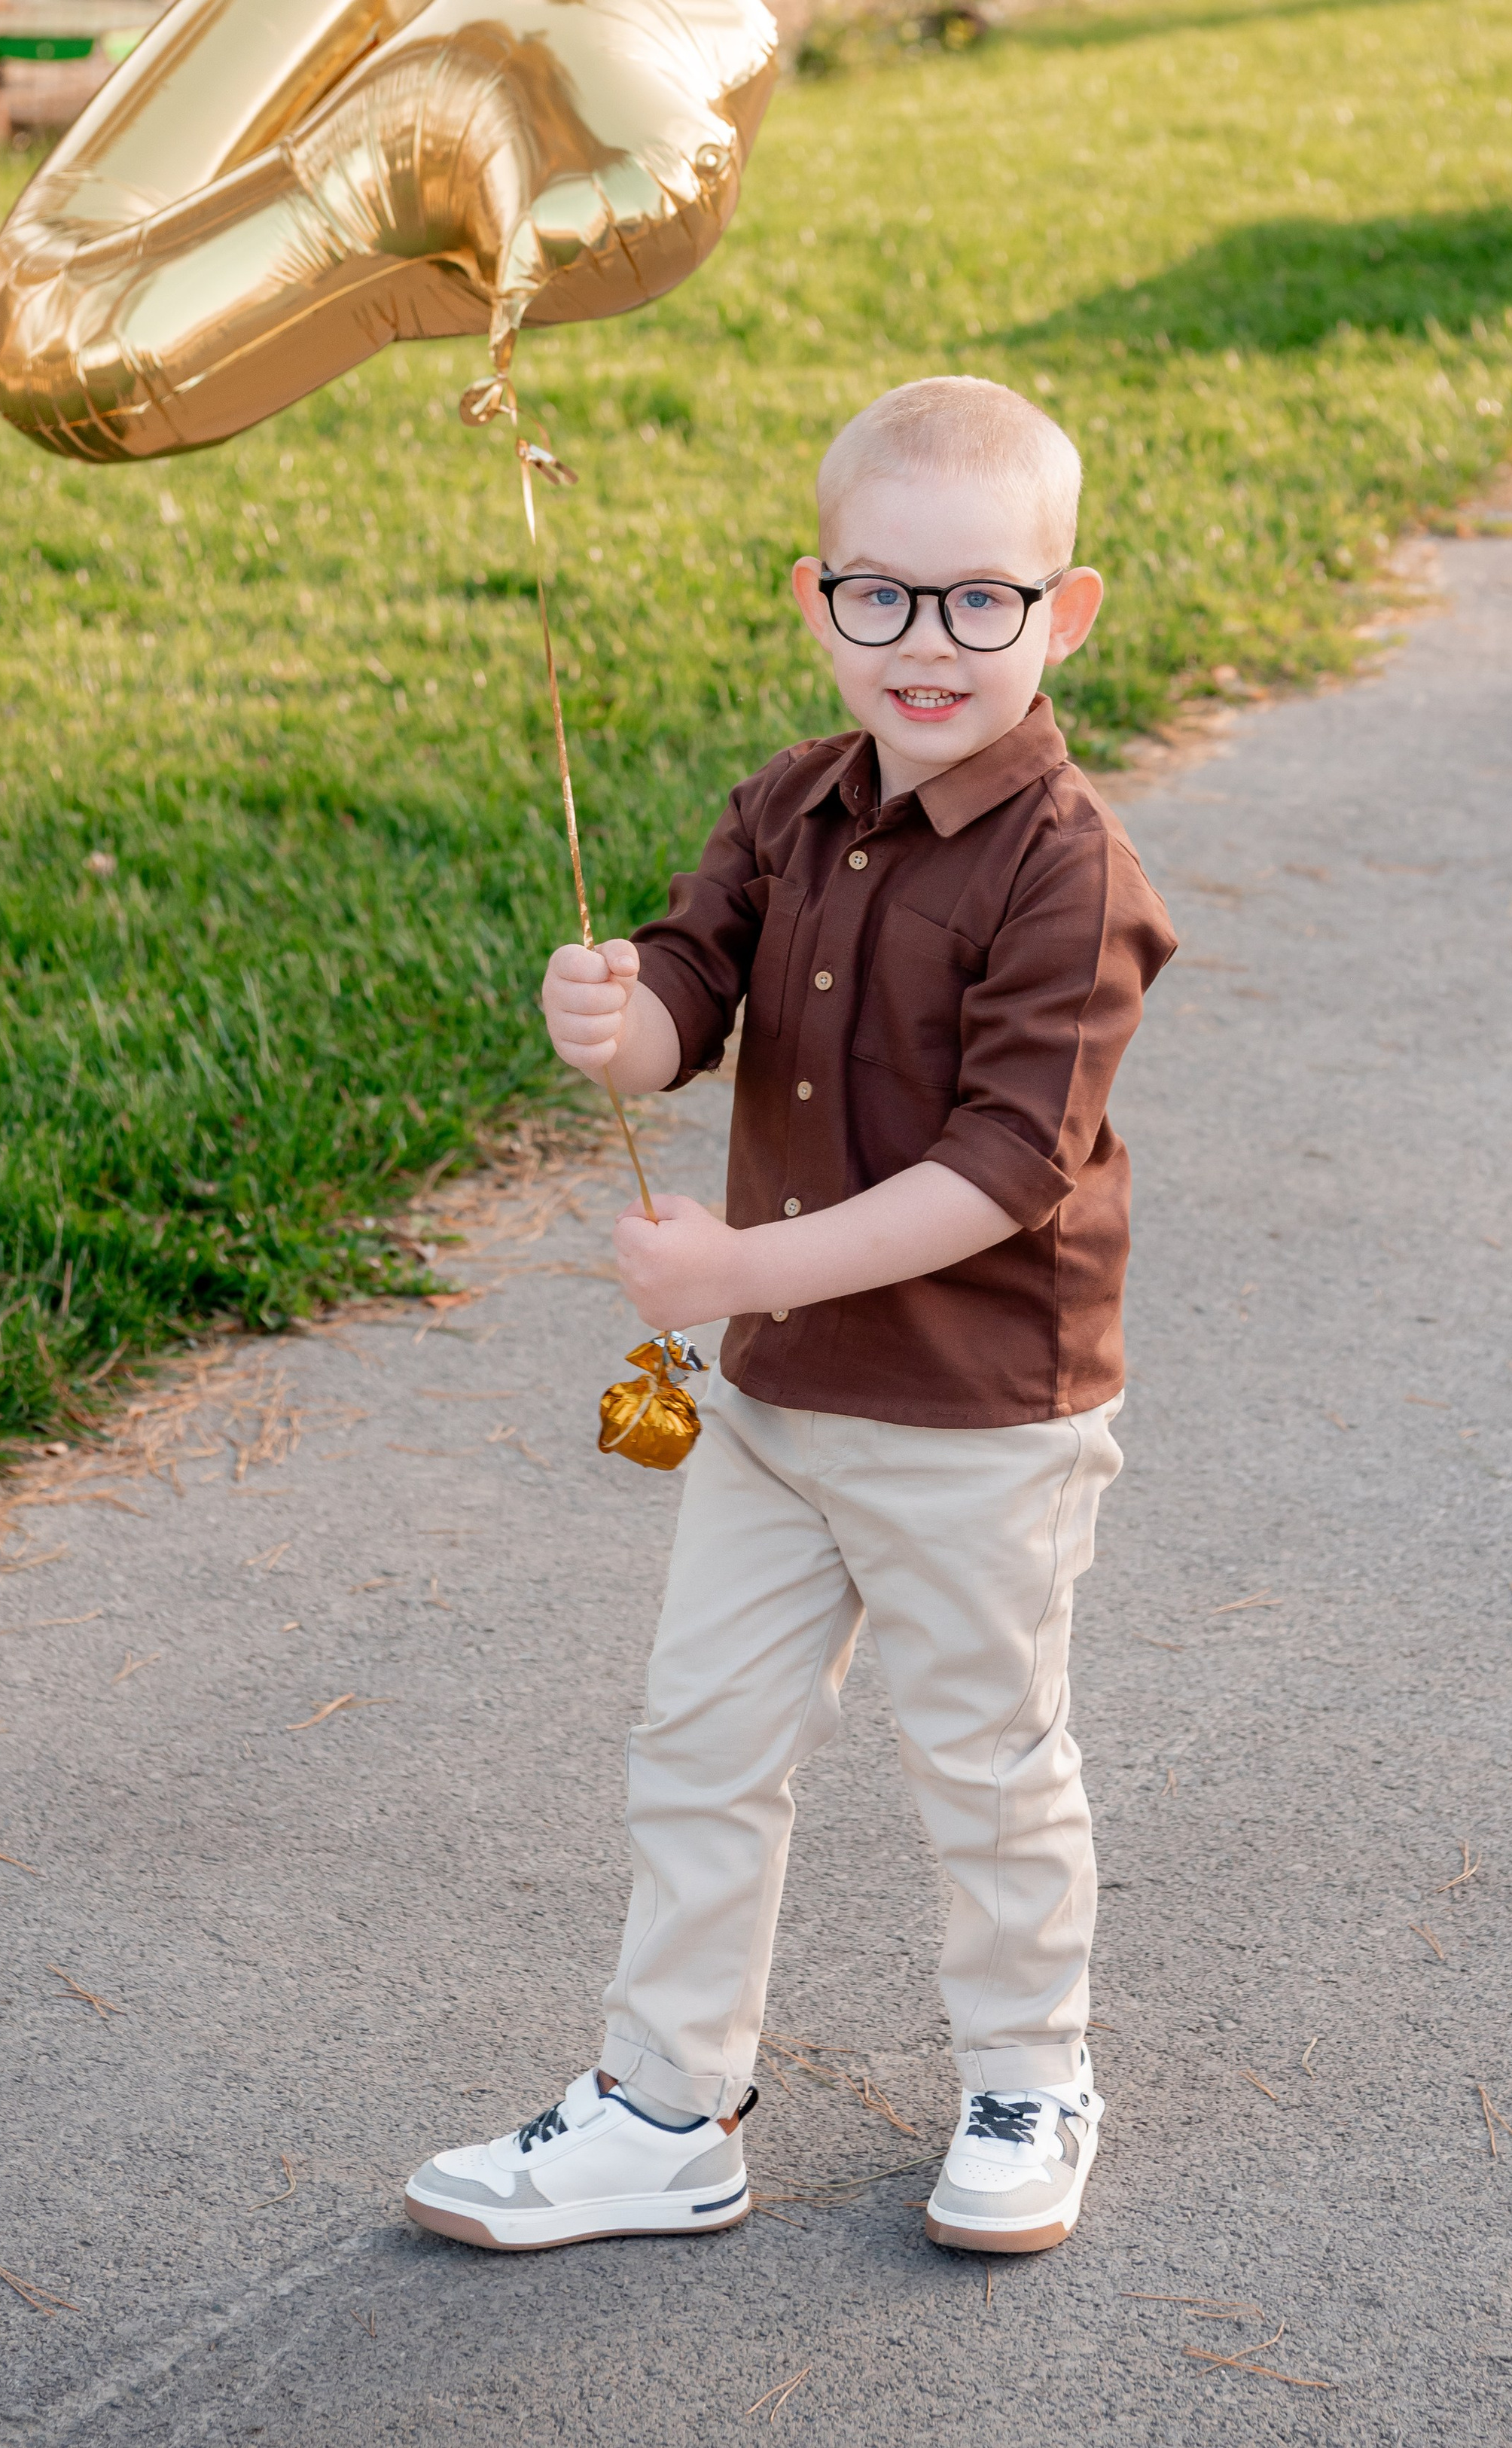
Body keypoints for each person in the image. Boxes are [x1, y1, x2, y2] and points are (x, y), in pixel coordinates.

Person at [404, 376, 1175, 2258]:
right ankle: (668, 2104)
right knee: (701, 1743)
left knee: (982, 1754)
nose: (926, 643)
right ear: (817, 598)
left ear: (1059, 612)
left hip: (978, 1415)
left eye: (978, 599)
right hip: (774, 1404)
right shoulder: (786, 805)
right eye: (882, 596)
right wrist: (625, 1018)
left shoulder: (1071, 875)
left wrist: (735, 1270)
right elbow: (692, 980)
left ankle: (1026, 2069)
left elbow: (1006, 1165)